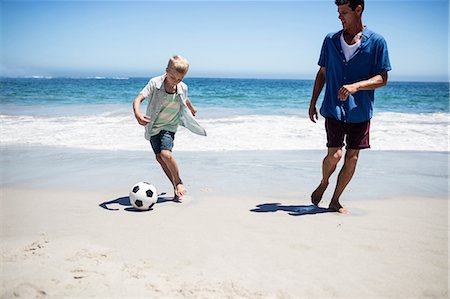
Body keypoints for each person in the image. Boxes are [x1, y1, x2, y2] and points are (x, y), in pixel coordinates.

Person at [308, 0, 391, 213]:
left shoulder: (377, 42)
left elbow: (382, 78)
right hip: (333, 108)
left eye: (344, 12)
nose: (340, 17)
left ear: (358, 10)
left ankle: (335, 200)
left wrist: (356, 86)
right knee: (334, 155)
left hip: (360, 111)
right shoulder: (330, 40)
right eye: (338, 12)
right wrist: (313, 102)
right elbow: (322, 73)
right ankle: (325, 181)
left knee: (352, 157)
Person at [133, 55, 206, 201]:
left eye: (180, 79)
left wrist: (191, 108)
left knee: (166, 154)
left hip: (170, 125)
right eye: (173, 78)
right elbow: (138, 99)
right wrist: (138, 114)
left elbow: (184, 98)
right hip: (153, 126)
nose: (176, 82)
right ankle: (175, 185)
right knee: (160, 158)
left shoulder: (182, 87)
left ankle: (179, 181)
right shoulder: (155, 83)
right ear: (167, 71)